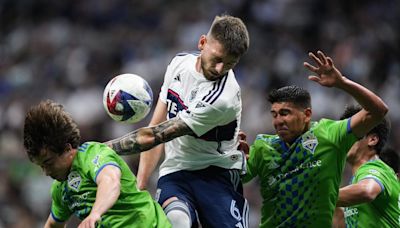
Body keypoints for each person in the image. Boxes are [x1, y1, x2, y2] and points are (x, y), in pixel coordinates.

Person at [107, 14, 250, 227]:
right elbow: (155, 126)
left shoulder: (223, 98)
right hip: (175, 171)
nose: (220, 69)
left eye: (230, 64)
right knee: (176, 221)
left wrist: (101, 150)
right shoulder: (179, 64)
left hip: (216, 175)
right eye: (218, 59)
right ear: (202, 43)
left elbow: (154, 136)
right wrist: (141, 184)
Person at [241, 51, 388, 227]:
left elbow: (378, 111)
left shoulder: (330, 134)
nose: (278, 121)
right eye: (274, 115)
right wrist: (234, 155)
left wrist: (342, 83)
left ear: (307, 114)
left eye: (285, 113)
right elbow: (237, 178)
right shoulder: (263, 145)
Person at [23, 100, 171, 228]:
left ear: (67, 149)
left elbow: (110, 182)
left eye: (48, 163)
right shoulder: (61, 190)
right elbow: (53, 224)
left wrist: (95, 214)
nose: (46, 172)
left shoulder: (93, 154)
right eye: (41, 166)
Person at [335, 105, 400, 227]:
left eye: (350, 133)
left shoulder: (378, 169)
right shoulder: (356, 181)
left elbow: (367, 191)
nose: (343, 140)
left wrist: (321, 196)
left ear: (372, 139)